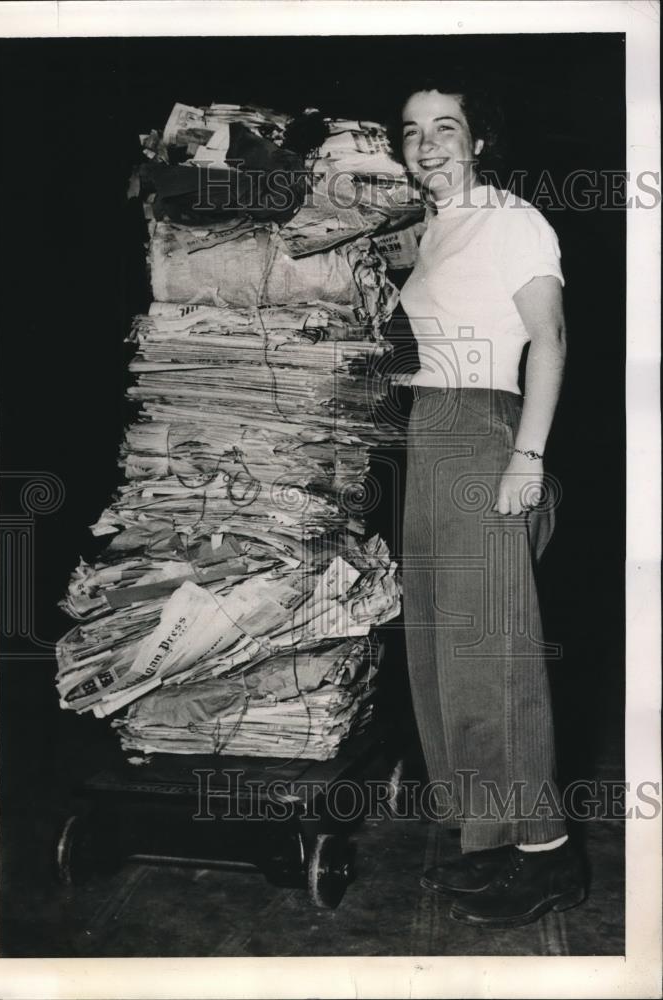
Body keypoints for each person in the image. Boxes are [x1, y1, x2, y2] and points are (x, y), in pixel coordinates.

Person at [390, 71, 586, 928]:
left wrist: (527, 457)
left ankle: (547, 856)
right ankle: (490, 842)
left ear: (480, 141)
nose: (426, 145)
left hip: (485, 432)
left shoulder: (513, 220)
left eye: (445, 128)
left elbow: (550, 338)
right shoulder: (432, 231)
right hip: (429, 434)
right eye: (411, 132)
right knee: (439, 653)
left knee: (495, 656)